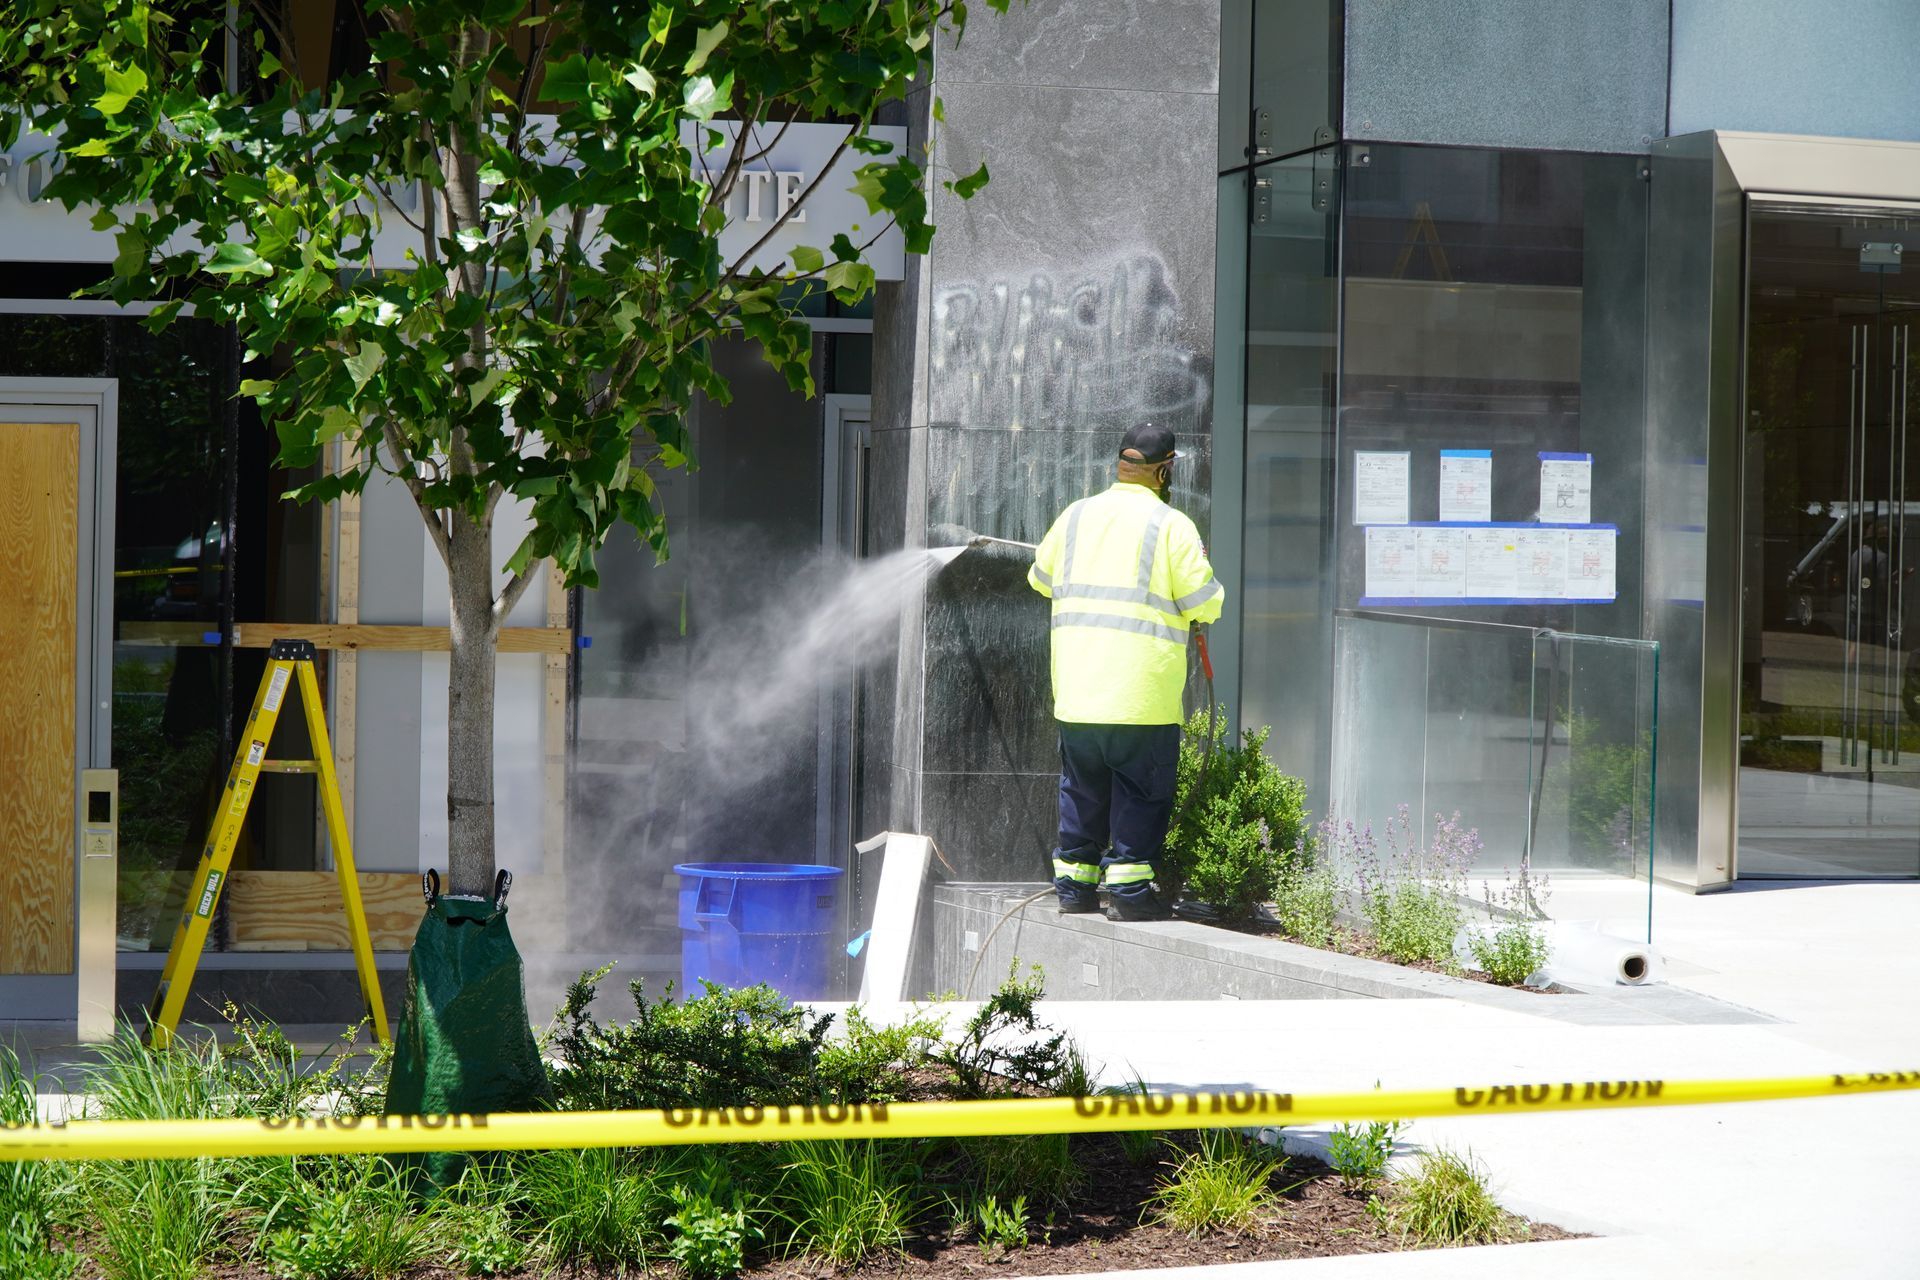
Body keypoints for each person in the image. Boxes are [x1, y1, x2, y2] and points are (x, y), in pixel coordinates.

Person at [1026, 422, 1225, 920]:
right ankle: (1131, 898)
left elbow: (1040, 579)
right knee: (1141, 794)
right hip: (1140, 696)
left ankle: (1074, 890)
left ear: (1120, 463)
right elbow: (1203, 600)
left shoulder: (1074, 516)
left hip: (1077, 691)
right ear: (1164, 469)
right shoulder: (1171, 524)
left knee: (1082, 790)